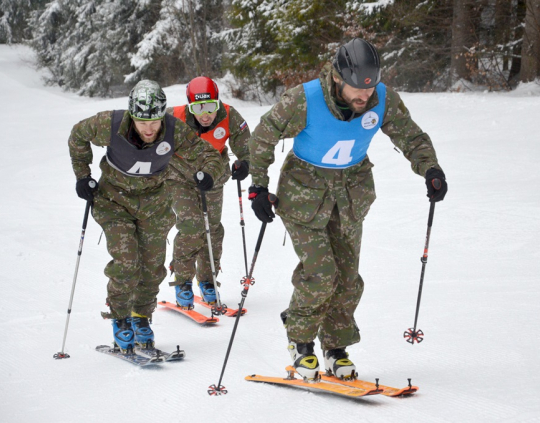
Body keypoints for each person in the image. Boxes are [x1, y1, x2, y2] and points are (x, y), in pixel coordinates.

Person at [247, 38, 448, 380]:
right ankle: (301, 342)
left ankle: (335, 347)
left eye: (369, 89)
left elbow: (411, 137)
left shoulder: (381, 99)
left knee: (348, 280)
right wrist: (258, 187)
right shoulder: (305, 99)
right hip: (303, 194)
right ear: (338, 78)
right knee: (322, 274)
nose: (364, 97)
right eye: (357, 88)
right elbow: (263, 137)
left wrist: (430, 169)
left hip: (351, 195)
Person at [68, 80, 223, 353]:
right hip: (114, 201)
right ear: (132, 116)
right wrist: (83, 176)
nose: (149, 129)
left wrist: (209, 173)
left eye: (154, 122)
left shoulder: (174, 130)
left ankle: (141, 316)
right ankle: (120, 318)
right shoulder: (110, 124)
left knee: (153, 267)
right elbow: (77, 135)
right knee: (127, 262)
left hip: (154, 202)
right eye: (142, 122)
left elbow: (207, 154)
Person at [165, 76, 251, 308]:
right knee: (192, 225)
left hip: (213, 176)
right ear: (190, 106)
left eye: (210, 107)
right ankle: (183, 281)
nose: (205, 115)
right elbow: (148, 133)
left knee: (212, 228)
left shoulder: (229, 116)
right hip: (179, 177)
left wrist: (245, 162)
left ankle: (208, 280)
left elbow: (246, 145)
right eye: (198, 108)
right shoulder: (174, 116)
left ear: (218, 103)